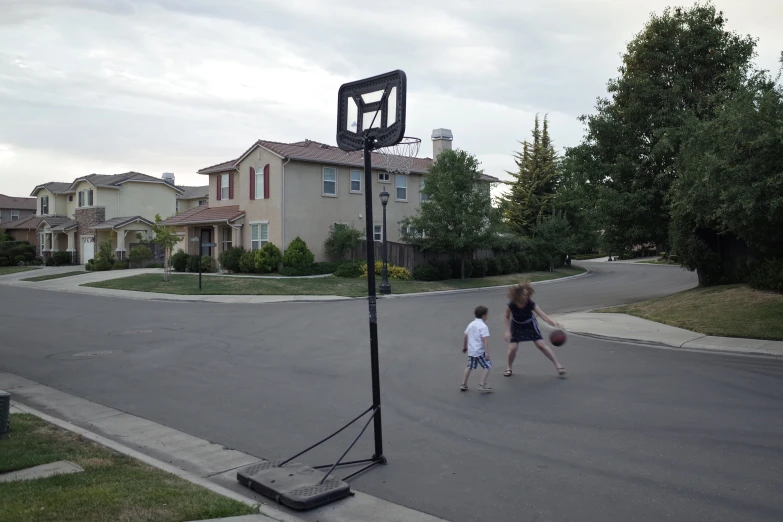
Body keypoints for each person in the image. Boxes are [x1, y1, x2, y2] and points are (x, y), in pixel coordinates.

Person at [503, 282, 566, 377]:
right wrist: (507, 331)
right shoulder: (512, 304)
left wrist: (553, 323)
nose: (527, 296)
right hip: (516, 325)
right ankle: (509, 368)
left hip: (530, 324)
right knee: (513, 348)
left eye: (528, 294)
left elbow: (543, 315)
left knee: (541, 345)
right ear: (518, 295)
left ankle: (558, 366)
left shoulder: (530, 303)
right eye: (525, 294)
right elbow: (507, 317)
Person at [461, 305, 492, 392]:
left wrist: (464, 347)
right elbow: (484, 339)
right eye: (487, 314)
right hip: (479, 351)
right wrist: (487, 352)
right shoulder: (483, 326)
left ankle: (464, 383)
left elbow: (465, 335)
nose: (487, 316)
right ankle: (482, 384)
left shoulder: (471, 324)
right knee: (488, 366)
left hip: (471, 350)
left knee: (469, 366)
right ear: (483, 316)